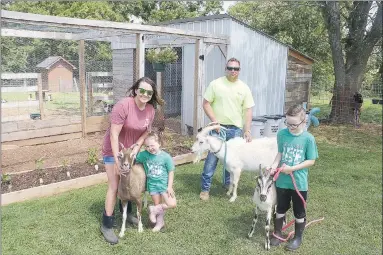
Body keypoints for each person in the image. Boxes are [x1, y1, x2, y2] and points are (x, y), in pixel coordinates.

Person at [100, 77, 164, 244]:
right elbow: (114, 134)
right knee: (115, 186)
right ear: (136, 90)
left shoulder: (150, 110)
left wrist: (136, 147)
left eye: (149, 92)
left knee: (128, 182)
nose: (145, 94)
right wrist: (116, 160)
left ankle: (127, 214)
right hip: (113, 150)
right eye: (141, 90)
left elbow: (146, 132)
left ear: (152, 94)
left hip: (131, 152)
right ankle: (107, 224)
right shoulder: (123, 105)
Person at [200, 57, 255, 201]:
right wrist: (214, 121)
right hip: (218, 128)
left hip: (236, 130)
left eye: (235, 69)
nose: (232, 71)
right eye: (230, 68)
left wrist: (247, 130)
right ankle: (205, 189)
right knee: (212, 159)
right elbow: (206, 103)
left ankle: (227, 184)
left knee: (231, 160)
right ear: (226, 69)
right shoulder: (215, 84)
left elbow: (248, 110)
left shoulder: (244, 88)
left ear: (239, 70)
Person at [268, 104, 318, 251]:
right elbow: (280, 154)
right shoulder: (282, 134)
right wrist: (273, 166)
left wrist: (292, 168)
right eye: (287, 123)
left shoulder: (308, 139)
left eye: (294, 124)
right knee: (280, 207)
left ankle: (297, 237)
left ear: (303, 122)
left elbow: (311, 161)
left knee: (299, 211)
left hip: (299, 183)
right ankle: (277, 233)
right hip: (282, 181)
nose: (290, 127)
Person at [135, 131, 177, 232]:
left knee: (172, 203)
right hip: (152, 185)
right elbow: (134, 156)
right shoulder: (144, 155)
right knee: (158, 205)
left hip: (164, 185)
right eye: (147, 146)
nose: (150, 148)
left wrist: (170, 186)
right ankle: (159, 223)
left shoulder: (166, 157)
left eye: (152, 145)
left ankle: (153, 209)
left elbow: (171, 172)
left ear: (159, 144)